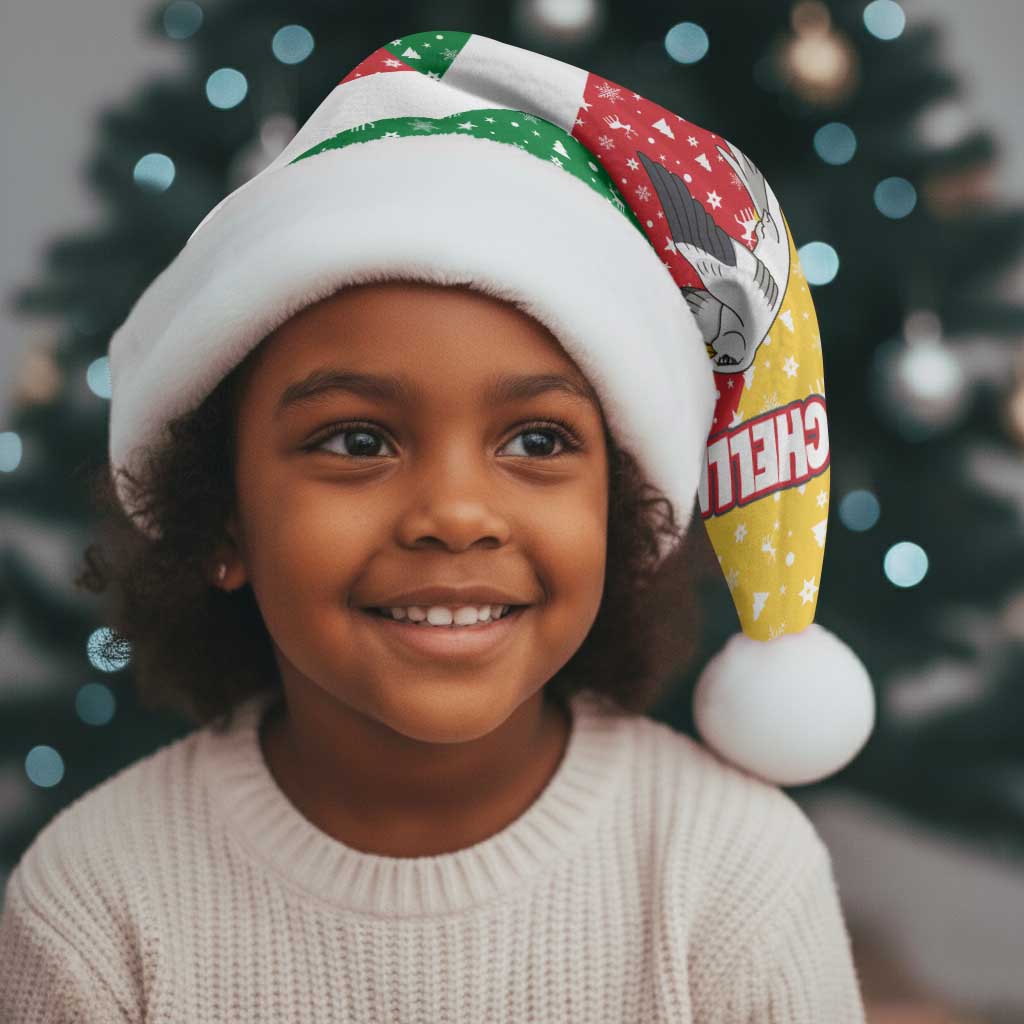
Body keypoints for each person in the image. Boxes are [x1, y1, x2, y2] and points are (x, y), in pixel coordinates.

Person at [0, 27, 873, 1022]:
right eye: (358, 441)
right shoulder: (96, 899)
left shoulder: (731, 873)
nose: (456, 515)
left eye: (538, 441)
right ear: (220, 518)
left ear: (621, 509)